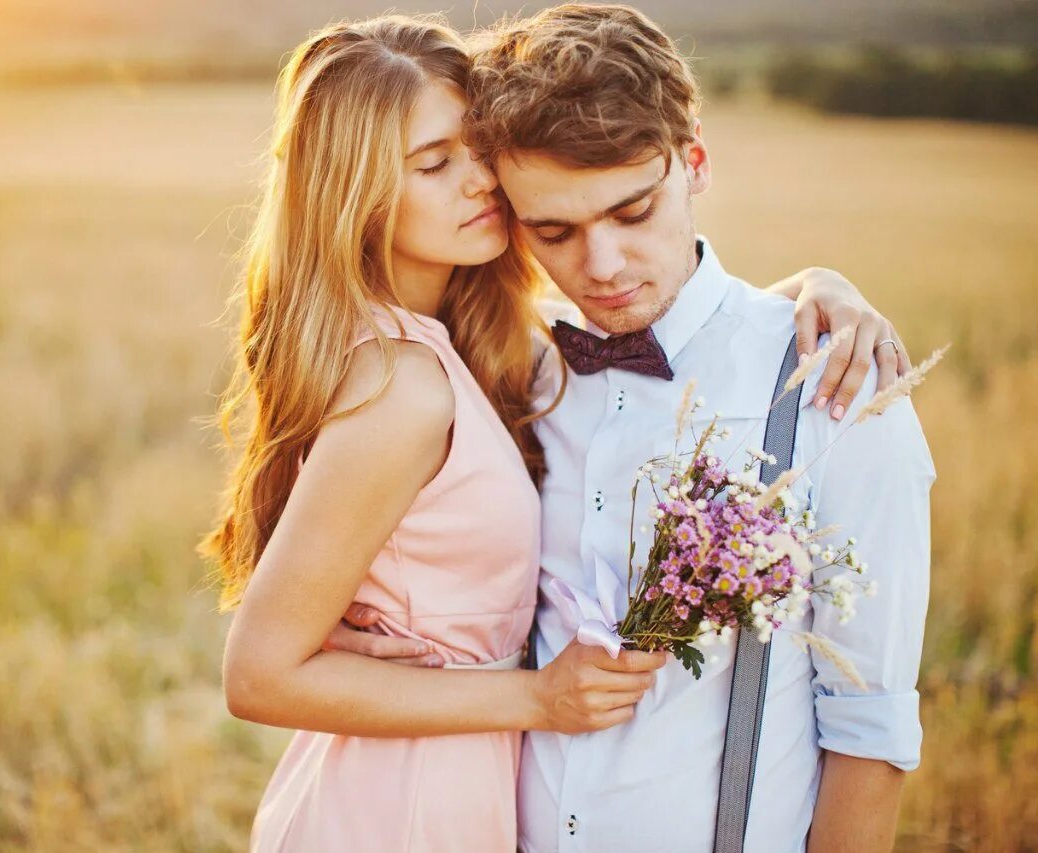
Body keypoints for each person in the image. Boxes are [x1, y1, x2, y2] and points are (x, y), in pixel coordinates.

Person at [202, 13, 912, 853]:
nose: (602, 265)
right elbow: (267, 664)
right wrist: (534, 696)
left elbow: (871, 716)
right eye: (553, 231)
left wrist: (810, 290)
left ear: (695, 165)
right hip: (411, 809)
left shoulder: (811, 383)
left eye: (633, 212)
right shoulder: (462, 376)